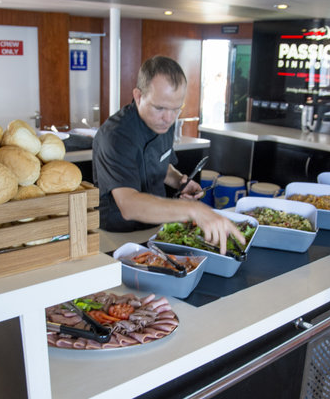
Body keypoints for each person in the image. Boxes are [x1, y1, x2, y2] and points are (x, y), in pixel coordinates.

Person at [92, 55, 244, 254]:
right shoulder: (115, 135)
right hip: (117, 235)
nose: (168, 118)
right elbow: (129, 205)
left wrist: (180, 181)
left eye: (176, 109)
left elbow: (162, 165)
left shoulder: (164, 122)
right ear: (138, 96)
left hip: (156, 228)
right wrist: (193, 210)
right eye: (160, 108)